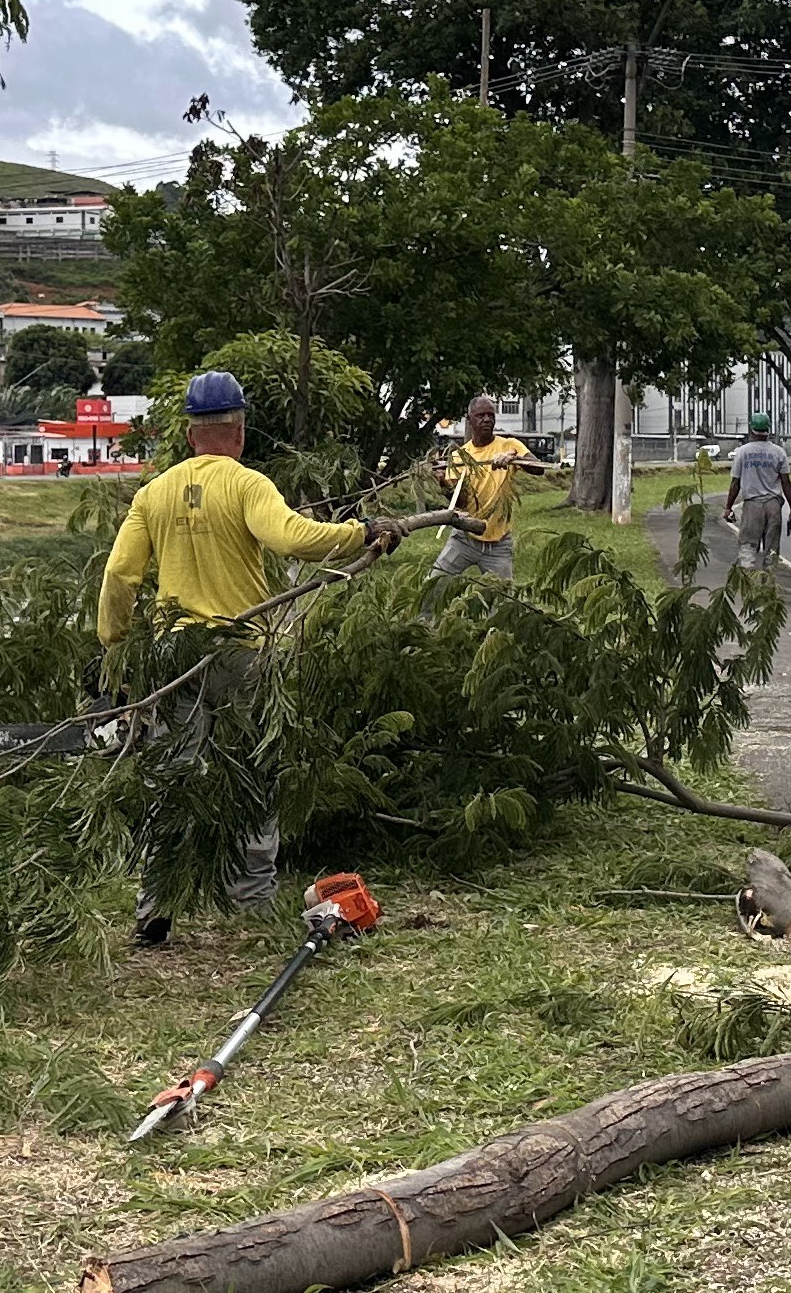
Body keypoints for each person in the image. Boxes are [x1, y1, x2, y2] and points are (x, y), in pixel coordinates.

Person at [97, 368, 396, 941]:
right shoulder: (246, 483)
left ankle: (154, 911)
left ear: (190, 435)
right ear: (238, 431)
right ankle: (252, 901)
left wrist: (114, 646)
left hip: (174, 656)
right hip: (240, 654)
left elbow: (119, 573)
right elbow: (292, 539)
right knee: (254, 773)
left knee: (174, 778)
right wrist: (362, 533)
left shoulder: (153, 493)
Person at [424, 393, 539, 600]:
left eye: (490, 415)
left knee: (503, 602)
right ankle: (423, 626)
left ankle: (495, 632)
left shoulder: (509, 445)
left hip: (499, 542)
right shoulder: (459, 457)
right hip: (464, 539)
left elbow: (538, 469)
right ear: (469, 420)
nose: (486, 419)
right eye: (480, 415)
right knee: (433, 586)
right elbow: (460, 502)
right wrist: (443, 482)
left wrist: (513, 458)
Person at [726, 411, 791, 572]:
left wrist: (728, 507)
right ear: (768, 430)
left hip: (752, 505)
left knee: (748, 546)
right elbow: (786, 482)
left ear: (751, 429)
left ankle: (747, 581)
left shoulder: (742, 452)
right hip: (773, 505)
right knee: (771, 549)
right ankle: (768, 584)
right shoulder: (779, 452)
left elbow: (735, 482)